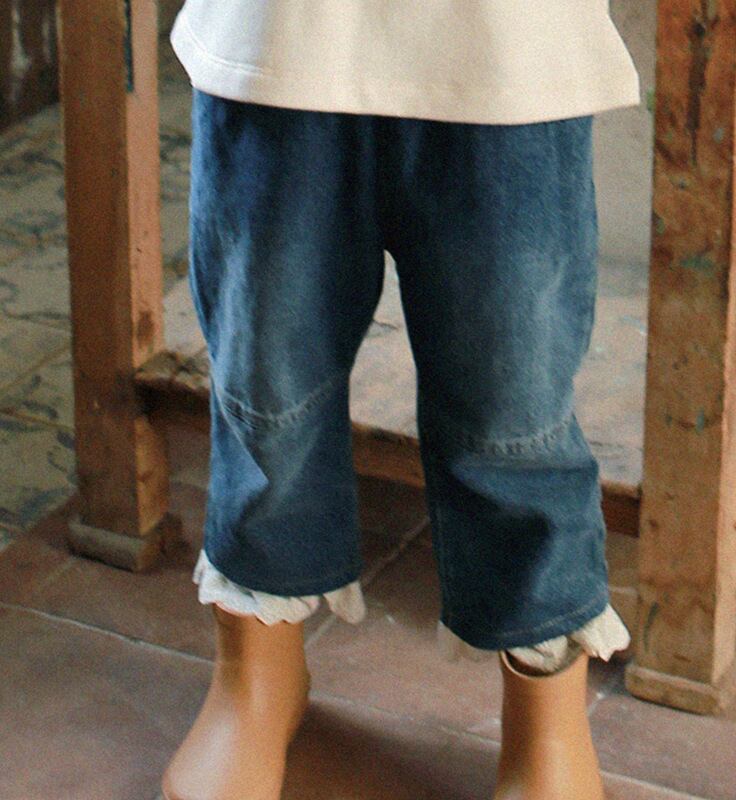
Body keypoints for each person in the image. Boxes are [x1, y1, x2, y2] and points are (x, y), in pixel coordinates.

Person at [161, 3, 642, 798]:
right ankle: (255, 676)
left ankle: (546, 721)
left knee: (515, 412)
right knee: (267, 387)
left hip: (512, 49)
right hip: (277, 38)